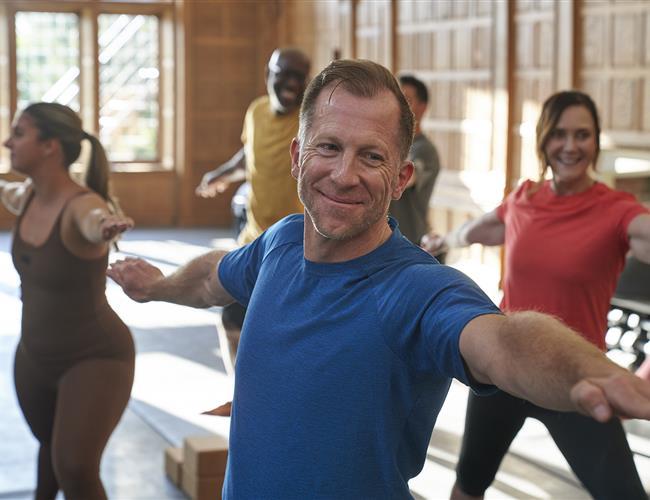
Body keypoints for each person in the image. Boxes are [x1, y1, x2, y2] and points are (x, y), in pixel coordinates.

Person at [108, 62, 650, 499]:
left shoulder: (415, 290)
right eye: (328, 147)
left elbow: (502, 342)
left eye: (371, 156)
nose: (344, 175)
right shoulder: (278, 243)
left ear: (401, 178)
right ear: (298, 157)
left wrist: (587, 371)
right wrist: (156, 286)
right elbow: (211, 278)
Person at [422, 90, 650, 500]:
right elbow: (480, 230)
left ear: (595, 142)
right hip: (504, 371)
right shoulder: (524, 198)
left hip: (577, 381)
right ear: (544, 140)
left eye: (583, 135)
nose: (570, 146)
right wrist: (446, 239)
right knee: (468, 485)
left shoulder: (617, 210)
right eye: (559, 134)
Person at [0, 102, 134, 499]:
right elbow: (4, 189)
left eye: (19, 133)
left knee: (75, 468)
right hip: (34, 357)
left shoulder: (84, 205)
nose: (8, 141)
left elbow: (93, 222)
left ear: (49, 147)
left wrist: (105, 226)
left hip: (94, 357)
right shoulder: (26, 197)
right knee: (52, 452)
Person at [195, 47, 311, 383]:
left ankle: (279, 397)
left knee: (284, 330)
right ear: (268, 75)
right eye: (283, 74)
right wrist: (221, 173)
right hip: (254, 237)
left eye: (298, 77)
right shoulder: (256, 111)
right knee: (231, 318)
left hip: (296, 245)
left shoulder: (310, 118)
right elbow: (251, 155)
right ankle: (241, 393)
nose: (290, 83)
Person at [389, 74, 440, 247]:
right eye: (396, 99)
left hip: (409, 242)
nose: (399, 106)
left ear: (423, 107)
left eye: (407, 100)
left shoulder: (425, 150)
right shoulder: (388, 144)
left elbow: (408, 179)